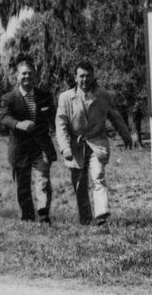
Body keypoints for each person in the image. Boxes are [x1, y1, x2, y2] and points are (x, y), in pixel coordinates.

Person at [55, 61, 134, 226]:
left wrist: (126, 135)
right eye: (81, 76)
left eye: (88, 76)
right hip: (75, 147)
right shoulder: (65, 98)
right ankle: (85, 218)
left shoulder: (103, 96)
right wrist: (64, 148)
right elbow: (60, 125)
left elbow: (115, 117)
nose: (85, 79)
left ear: (93, 76)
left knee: (98, 176)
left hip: (97, 144)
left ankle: (101, 215)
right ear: (75, 78)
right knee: (79, 183)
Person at [0, 60, 57, 223]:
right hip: (20, 148)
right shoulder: (9, 98)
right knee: (22, 185)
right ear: (17, 76)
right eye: (23, 73)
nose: (27, 77)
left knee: (43, 180)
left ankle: (44, 215)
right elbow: (3, 117)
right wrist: (19, 124)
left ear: (35, 76)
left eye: (30, 73)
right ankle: (27, 217)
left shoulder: (44, 96)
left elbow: (53, 118)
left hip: (41, 146)